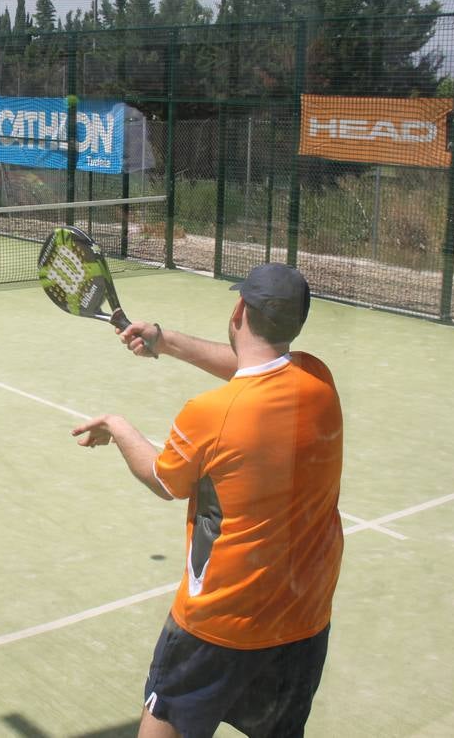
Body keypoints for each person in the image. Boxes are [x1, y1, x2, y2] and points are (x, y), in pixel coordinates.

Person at [72, 263, 343, 738]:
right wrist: (165, 340)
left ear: (239, 309)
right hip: (303, 619)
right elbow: (255, 367)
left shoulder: (209, 415)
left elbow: (162, 479)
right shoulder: (318, 380)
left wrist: (117, 427)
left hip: (218, 623)